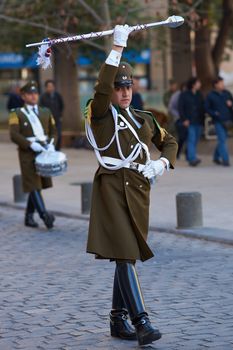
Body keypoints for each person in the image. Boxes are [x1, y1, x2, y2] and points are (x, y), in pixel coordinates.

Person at [85, 25, 178, 346]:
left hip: (138, 191)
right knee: (125, 255)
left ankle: (116, 318)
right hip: (111, 189)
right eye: (118, 87)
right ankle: (141, 322)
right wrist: (117, 48)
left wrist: (161, 163)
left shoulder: (144, 118)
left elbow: (170, 142)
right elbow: (99, 89)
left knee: (126, 254)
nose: (124, 92)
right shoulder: (100, 115)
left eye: (128, 86)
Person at [9, 81, 56, 229]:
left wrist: (51, 143)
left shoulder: (45, 112)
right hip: (27, 153)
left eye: (35, 93)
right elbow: (14, 135)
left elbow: (53, 130)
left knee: (37, 183)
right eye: (30, 94)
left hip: (44, 151)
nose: (34, 96)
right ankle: (44, 215)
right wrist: (30, 144)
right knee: (33, 183)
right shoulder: (16, 113)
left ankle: (28, 217)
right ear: (23, 96)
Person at [205, 76, 232, 166]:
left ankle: (216, 157)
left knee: (222, 140)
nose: (223, 85)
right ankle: (225, 160)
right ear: (215, 85)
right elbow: (206, 108)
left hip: (227, 121)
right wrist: (214, 113)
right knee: (222, 140)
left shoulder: (227, 93)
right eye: (221, 83)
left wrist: (230, 104)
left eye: (223, 83)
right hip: (218, 121)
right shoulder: (210, 95)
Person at [178, 77, 204, 166]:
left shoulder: (199, 94)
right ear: (193, 84)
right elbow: (180, 108)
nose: (200, 84)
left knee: (195, 140)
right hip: (189, 121)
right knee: (191, 139)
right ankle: (193, 159)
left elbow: (202, 107)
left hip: (199, 121)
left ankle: (189, 155)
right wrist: (184, 119)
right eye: (198, 82)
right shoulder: (184, 94)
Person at [40, 80, 64, 150]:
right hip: (47, 120)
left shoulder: (57, 96)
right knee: (49, 135)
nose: (50, 88)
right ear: (46, 88)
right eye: (48, 86)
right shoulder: (43, 97)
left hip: (57, 119)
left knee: (58, 135)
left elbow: (61, 105)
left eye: (52, 86)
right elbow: (41, 108)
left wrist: (60, 115)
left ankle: (57, 149)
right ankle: (50, 149)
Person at [168, 82, 187, 158]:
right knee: (181, 137)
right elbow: (171, 107)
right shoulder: (176, 95)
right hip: (178, 119)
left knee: (187, 137)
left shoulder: (187, 95)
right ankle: (177, 152)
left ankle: (187, 153)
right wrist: (178, 116)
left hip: (187, 119)